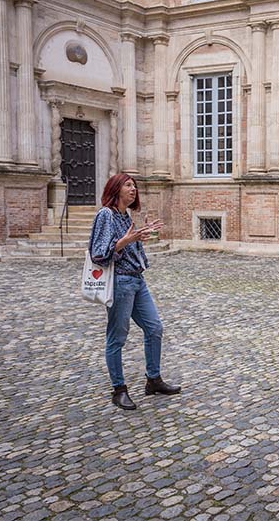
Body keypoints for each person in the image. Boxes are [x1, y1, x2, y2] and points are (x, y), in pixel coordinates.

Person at [89, 173, 180, 410]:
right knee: (117, 337)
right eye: (128, 185)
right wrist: (127, 241)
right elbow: (98, 253)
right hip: (120, 282)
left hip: (137, 280)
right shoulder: (105, 215)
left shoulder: (124, 215)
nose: (133, 189)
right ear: (115, 189)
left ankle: (154, 380)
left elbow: (128, 244)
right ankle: (118, 389)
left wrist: (141, 235)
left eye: (134, 186)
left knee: (154, 328)